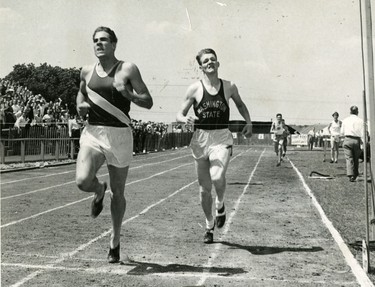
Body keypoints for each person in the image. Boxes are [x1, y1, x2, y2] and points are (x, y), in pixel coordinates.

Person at [75, 26, 153, 263]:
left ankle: (115, 241)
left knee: (118, 192)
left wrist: (128, 95)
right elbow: (80, 94)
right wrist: (80, 105)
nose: (99, 43)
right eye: (95, 40)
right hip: (94, 132)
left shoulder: (127, 69)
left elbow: (148, 101)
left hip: (119, 135)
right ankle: (98, 190)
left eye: (104, 40)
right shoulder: (86, 71)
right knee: (82, 180)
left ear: (114, 44)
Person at [176, 48, 252, 244]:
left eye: (213, 59)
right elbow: (179, 114)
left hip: (221, 137)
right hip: (200, 139)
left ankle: (220, 204)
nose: (210, 62)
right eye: (206, 61)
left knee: (217, 176)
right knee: (203, 189)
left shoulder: (229, 86)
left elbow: (241, 105)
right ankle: (209, 224)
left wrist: (248, 122)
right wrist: (184, 120)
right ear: (201, 67)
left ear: (218, 64)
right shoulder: (194, 89)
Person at [340, 106, 364, 182]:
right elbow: (363, 133)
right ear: (357, 112)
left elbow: (342, 132)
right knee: (356, 158)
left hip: (347, 139)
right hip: (357, 140)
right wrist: (362, 143)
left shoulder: (345, 120)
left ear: (350, 112)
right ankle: (356, 174)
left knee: (349, 158)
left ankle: (350, 175)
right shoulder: (361, 121)